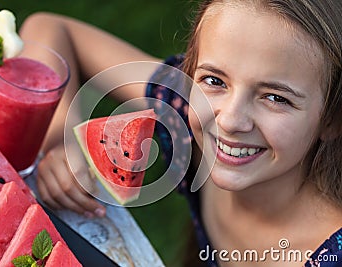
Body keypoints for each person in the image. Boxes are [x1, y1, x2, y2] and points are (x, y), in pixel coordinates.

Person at [19, 0, 342, 266]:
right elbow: (48, 29)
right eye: (215, 81)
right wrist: (62, 142)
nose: (230, 121)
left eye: (275, 98)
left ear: (332, 119)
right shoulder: (185, 117)